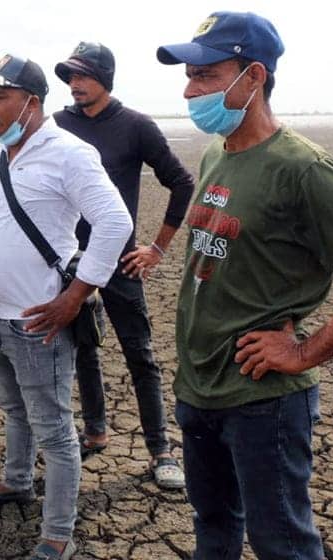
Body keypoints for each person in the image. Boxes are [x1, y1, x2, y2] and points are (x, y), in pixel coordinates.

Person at [157, 11, 333, 559]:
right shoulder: (215, 153)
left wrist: (305, 352)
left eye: (206, 76)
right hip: (199, 387)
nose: (190, 91)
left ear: (255, 76)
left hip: (262, 400)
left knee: (282, 544)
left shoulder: (302, 168)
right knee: (213, 527)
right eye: (189, 78)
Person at [0, 54, 132, 560]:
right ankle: (15, 483)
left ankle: (57, 536)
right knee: (14, 410)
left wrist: (74, 297)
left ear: (31, 102)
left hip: (39, 319)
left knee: (54, 432)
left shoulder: (70, 154)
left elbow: (115, 223)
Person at [53, 42, 194, 490]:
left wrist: (157, 249)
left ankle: (160, 450)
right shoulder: (58, 126)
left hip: (120, 263)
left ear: (105, 79)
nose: (75, 84)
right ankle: (95, 431)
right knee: (85, 349)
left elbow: (182, 183)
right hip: (72, 263)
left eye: (83, 76)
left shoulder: (135, 126)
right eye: (70, 77)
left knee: (141, 356)